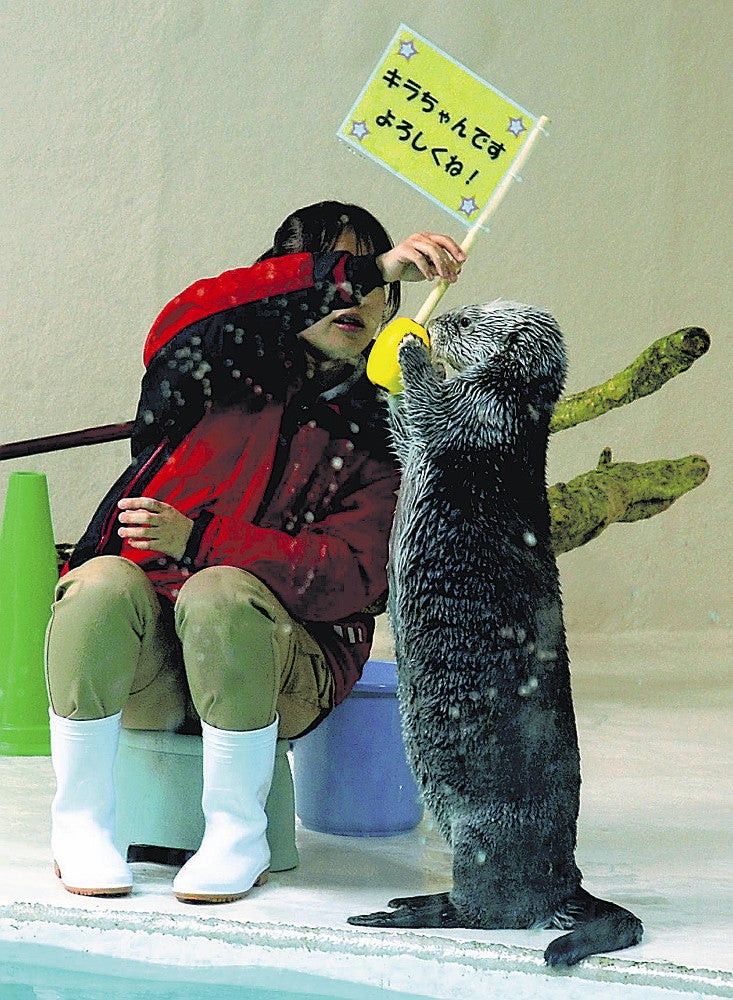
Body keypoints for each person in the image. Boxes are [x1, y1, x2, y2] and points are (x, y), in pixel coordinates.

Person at [45, 200, 464, 903]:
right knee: (99, 584)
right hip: (151, 663)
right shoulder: (211, 366)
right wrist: (367, 268)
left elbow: (354, 577)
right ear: (285, 285)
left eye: (374, 286)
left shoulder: (387, 428)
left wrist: (203, 542)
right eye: (337, 273)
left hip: (283, 670)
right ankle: (80, 825)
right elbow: (192, 312)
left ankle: (237, 833)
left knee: (221, 591)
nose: (354, 296)